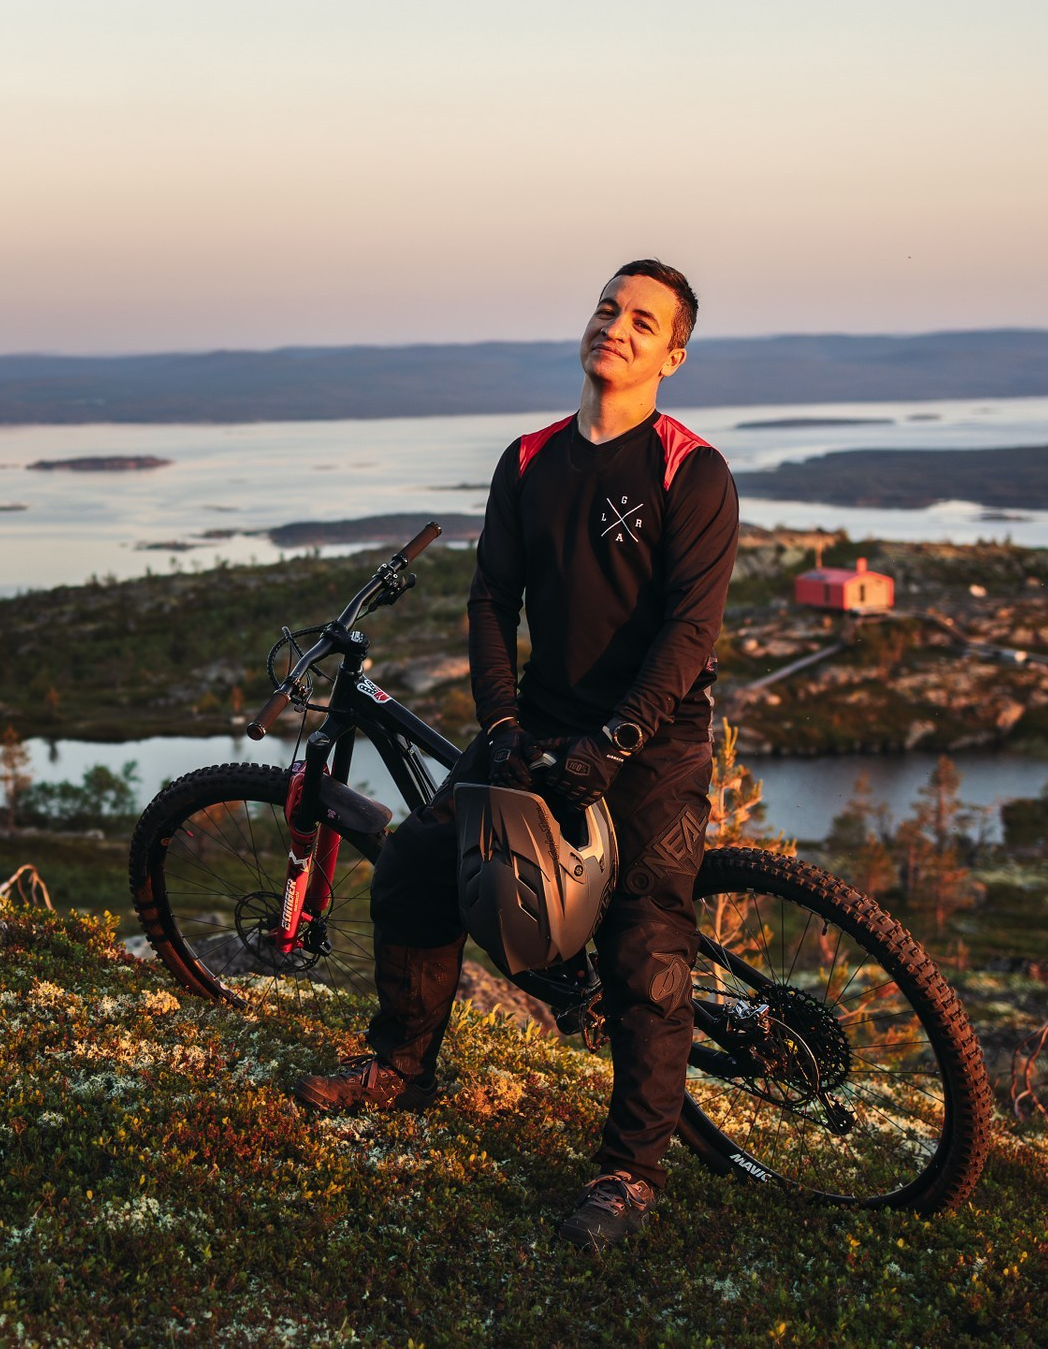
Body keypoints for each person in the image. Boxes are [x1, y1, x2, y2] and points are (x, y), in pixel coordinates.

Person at [293, 259, 741, 1254]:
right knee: (413, 869)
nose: (614, 329)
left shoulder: (689, 470)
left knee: (643, 951)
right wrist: (501, 723)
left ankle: (628, 1174)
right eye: (605, 309)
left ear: (672, 354)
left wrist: (613, 743)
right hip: (533, 725)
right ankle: (401, 1074)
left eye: (642, 322)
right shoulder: (530, 459)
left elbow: (688, 635)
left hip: (652, 743)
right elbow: (491, 599)